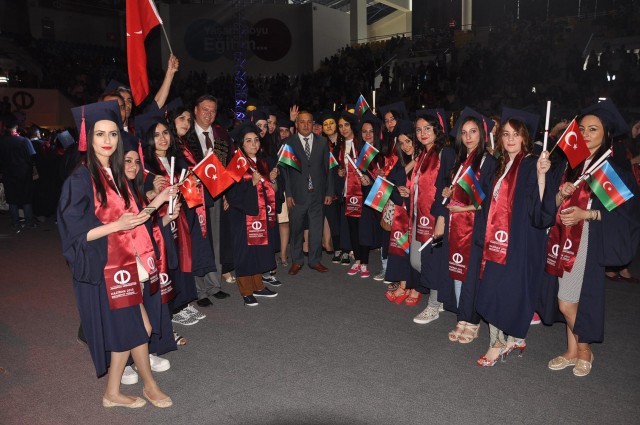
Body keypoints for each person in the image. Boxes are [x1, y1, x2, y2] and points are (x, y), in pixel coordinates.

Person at [58, 100, 172, 408]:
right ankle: (149, 386)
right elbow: (74, 234)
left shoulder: (116, 174)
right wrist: (114, 226)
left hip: (128, 263)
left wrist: (160, 199)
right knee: (138, 328)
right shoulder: (81, 178)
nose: (107, 140)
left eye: (112, 134)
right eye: (100, 134)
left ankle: (112, 392)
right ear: (88, 137)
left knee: (138, 328)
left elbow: (133, 219)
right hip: (108, 267)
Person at [539, 100, 640, 377]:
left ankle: (584, 351)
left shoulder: (610, 169)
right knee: (567, 297)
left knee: (567, 301)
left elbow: (624, 214)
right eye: (582, 129)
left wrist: (587, 213)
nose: (585, 134)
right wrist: (560, 193)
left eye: (593, 129)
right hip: (561, 238)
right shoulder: (571, 164)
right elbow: (550, 201)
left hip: (586, 240)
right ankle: (572, 351)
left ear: (606, 134)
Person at [474, 111, 554, 366]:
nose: (510, 139)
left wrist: (542, 176)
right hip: (496, 239)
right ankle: (503, 340)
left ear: (524, 138)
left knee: (508, 289)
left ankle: (506, 340)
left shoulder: (531, 163)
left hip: (518, 241)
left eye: (516, 134)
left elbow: (539, 208)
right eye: (506, 134)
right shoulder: (499, 165)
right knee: (492, 287)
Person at [439, 108, 497, 344]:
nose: (468, 137)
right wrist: (448, 192)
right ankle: (461, 317)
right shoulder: (459, 161)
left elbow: (489, 200)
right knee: (457, 271)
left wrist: (464, 209)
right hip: (456, 225)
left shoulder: (489, 162)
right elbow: (458, 191)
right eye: (464, 133)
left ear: (482, 134)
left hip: (475, 226)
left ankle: (472, 320)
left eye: (473, 132)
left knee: (471, 274)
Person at [183, 94, 232, 297]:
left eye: (213, 111)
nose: (209, 114)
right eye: (205, 109)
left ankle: (214, 284)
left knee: (216, 240)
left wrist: (226, 193)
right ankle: (199, 289)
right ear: (195, 110)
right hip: (194, 195)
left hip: (217, 193)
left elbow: (227, 165)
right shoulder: (185, 135)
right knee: (198, 240)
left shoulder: (221, 135)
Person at [227, 123, 280, 306]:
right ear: (242, 144)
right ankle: (246, 290)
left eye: (256, 140)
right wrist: (251, 183)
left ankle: (258, 286)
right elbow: (231, 194)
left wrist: (272, 180)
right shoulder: (236, 164)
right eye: (248, 141)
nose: (254, 144)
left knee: (258, 249)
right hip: (242, 215)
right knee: (245, 251)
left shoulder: (263, 162)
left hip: (261, 213)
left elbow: (270, 190)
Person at [282, 110, 334, 275]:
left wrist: (329, 192)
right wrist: (289, 194)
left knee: (316, 229)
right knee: (296, 229)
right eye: (302, 122)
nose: (305, 125)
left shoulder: (323, 142)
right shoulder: (289, 142)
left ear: (313, 124)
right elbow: (285, 171)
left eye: (309, 122)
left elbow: (328, 169)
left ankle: (315, 260)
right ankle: (296, 261)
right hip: (297, 195)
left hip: (318, 194)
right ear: (296, 124)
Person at [337, 112, 374, 277]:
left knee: (363, 228)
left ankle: (364, 263)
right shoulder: (340, 147)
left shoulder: (362, 145)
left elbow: (371, 169)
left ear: (352, 125)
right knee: (352, 228)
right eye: (340, 126)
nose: (343, 129)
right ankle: (357, 260)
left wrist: (369, 179)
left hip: (363, 192)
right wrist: (341, 172)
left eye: (346, 125)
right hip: (348, 193)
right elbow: (342, 169)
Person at [0, 114, 35, 231]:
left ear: (6, 127)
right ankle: (29, 222)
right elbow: (33, 156)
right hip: (24, 173)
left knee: (12, 199)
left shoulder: (2, 141)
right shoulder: (24, 141)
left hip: (8, 173)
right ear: (16, 127)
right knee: (26, 198)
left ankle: (15, 222)